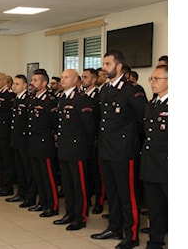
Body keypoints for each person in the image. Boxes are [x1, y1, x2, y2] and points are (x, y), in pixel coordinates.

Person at [90, 50, 147, 249]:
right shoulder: (105, 90)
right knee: (112, 193)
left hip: (124, 152)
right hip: (106, 150)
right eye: (103, 64)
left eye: (107, 64)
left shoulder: (132, 90)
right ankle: (114, 228)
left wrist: (130, 143)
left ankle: (131, 235)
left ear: (119, 66)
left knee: (127, 194)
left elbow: (143, 122)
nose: (104, 68)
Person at [53, 69, 95, 231]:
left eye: (66, 77)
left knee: (79, 185)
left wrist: (84, 147)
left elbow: (89, 128)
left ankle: (81, 216)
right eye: (62, 77)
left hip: (77, 149)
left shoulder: (81, 99)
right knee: (67, 184)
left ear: (75, 79)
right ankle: (70, 213)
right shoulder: (62, 98)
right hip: (64, 147)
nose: (62, 80)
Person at [140, 65, 168, 249]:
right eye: (151, 79)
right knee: (155, 206)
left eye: (157, 79)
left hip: (167, 164)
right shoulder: (152, 104)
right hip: (151, 163)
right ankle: (155, 241)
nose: (152, 82)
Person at [27, 69, 59, 218]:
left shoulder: (50, 100)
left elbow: (55, 123)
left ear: (44, 83)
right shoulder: (34, 99)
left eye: (35, 80)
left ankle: (53, 205)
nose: (32, 83)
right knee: (38, 175)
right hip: (33, 142)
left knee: (48, 176)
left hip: (45, 143)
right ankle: (43, 202)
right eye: (32, 80)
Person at [8, 74, 36, 208]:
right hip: (16, 139)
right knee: (19, 168)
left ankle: (30, 196)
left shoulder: (28, 100)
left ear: (25, 86)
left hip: (25, 140)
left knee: (27, 169)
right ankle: (21, 193)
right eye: (13, 83)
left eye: (17, 84)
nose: (14, 86)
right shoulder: (16, 99)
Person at [81, 68, 105, 215]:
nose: (82, 79)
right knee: (86, 171)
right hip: (84, 140)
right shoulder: (81, 96)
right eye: (82, 77)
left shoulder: (99, 96)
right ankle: (87, 197)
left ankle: (99, 202)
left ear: (94, 80)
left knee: (97, 174)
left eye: (85, 77)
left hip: (96, 139)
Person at [0, 72, 16, 197]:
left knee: (7, 161)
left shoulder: (10, 95)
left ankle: (8, 186)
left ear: (6, 81)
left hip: (5, 133)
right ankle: (1, 183)